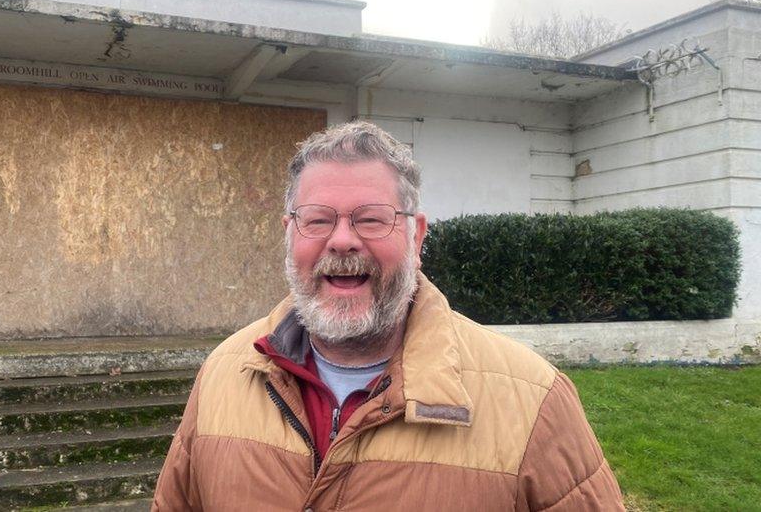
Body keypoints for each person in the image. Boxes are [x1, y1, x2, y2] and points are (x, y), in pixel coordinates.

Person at [153, 121, 624, 511]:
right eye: (317, 219)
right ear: (289, 233)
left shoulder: (534, 401)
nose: (341, 241)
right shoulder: (222, 373)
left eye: (372, 218)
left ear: (416, 237)